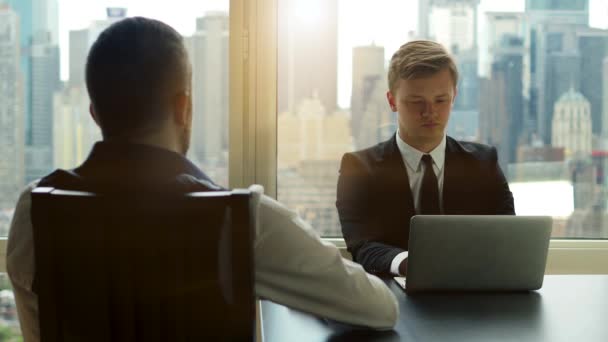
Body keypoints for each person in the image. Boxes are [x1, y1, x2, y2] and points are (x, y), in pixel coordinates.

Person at [7, 17, 398, 342]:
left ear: (94, 113)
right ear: (184, 107)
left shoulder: (34, 209)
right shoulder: (240, 219)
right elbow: (377, 307)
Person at [336, 40, 515, 277]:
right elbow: (363, 245)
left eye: (440, 100)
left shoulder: (484, 164)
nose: (430, 112)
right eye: (416, 102)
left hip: (473, 297)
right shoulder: (358, 169)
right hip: (394, 300)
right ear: (392, 101)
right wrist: (411, 263)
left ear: (454, 97)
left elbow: (509, 237)